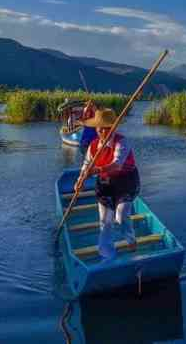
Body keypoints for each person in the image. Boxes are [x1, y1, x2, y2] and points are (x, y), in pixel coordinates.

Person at [76, 109, 140, 260]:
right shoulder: (93, 146)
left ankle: (130, 239)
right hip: (105, 184)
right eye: (99, 128)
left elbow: (117, 164)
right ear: (95, 128)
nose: (102, 131)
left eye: (106, 128)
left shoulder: (122, 142)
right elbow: (86, 166)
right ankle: (107, 254)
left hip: (125, 181)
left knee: (122, 214)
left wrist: (97, 169)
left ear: (113, 127)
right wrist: (80, 180)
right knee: (105, 221)